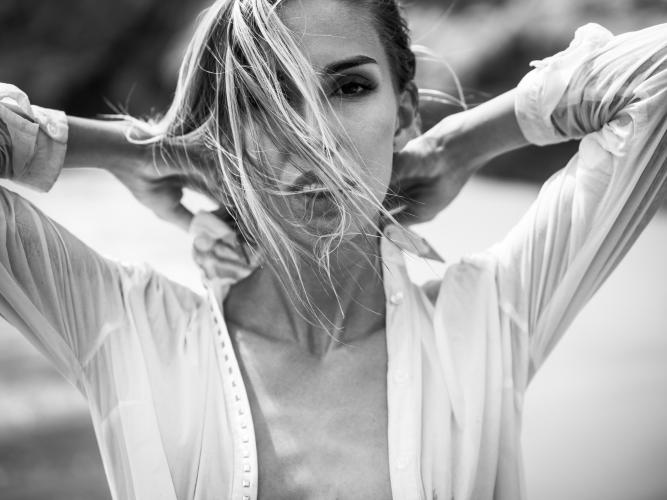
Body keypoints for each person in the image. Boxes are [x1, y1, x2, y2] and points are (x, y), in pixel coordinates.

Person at [0, 0, 664, 498]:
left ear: (403, 111)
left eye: (348, 88)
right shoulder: (128, 329)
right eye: (265, 100)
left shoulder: (488, 318)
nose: (312, 136)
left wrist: (458, 143)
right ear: (222, 136)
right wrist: (133, 148)